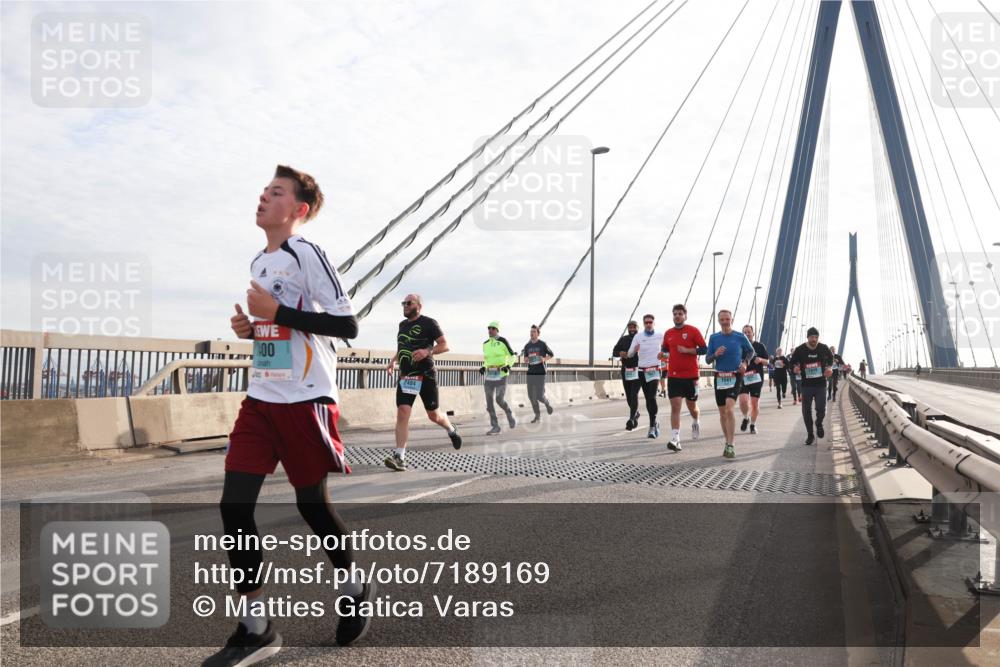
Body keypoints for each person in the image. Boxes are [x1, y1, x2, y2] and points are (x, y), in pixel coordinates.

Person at [209, 165, 371, 666]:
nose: (263, 197)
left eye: (275, 192)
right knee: (234, 508)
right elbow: (275, 333)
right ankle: (256, 627)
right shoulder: (259, 261)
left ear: (298, 210)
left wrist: (277, 315)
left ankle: (353, 585)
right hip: (262, 397)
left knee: (312, 508)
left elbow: (347, 324)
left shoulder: (307, 252)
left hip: (305, 400)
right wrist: (250, 329)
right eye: (263, 190)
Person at [384, 294, 462, 472]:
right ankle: (400, 457)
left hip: (426, 374)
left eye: (408, 303)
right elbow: (403, 346)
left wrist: (428, 351)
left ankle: (451, 429)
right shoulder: (402, 325)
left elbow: (444, 345)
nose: (405, 305)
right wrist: (393, 360)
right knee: (403, 413)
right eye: (403, 303)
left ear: (419, 306)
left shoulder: (429, 323)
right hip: (407, 375)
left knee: (433, 415)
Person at [705, 310, 755, 459]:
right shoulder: (714, 338)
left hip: (735, 376)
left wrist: (745, 363)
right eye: (722, 319)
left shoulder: (740, 337)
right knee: (722, 413)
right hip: (720, 377)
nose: (725, 322)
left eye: (727, 319)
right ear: (719, 321)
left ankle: (731, 444)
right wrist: (715, 354)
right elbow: (707, 359)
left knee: (729, 409)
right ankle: (727, 442)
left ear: (732, 319)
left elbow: (751, 352)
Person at [660, 303, 707, 451]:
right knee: (675, 407)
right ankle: (675, 439)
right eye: (675, 314)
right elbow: (665, 350)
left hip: (691, 376)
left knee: (692, 406)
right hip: (673, 375)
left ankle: (695, 420)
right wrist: (663, 355)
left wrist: (687, 350)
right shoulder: (668, 333)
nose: (677, 316)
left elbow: (704, 349)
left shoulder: (693, 331)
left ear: (685, 316)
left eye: (680, 314)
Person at [790, 327, 834, 446]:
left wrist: (829, 367)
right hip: (806, 385)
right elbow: (792, 362)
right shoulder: (800, 349)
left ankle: (819, 423)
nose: (814, 339)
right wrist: (795, 367)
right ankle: (810, 435)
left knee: (821, 409)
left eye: (816, 337)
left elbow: (831, 358)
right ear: (807, 337)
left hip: (821, 384)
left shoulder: (823, 348)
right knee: (806, 411)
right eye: (811, 337)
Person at [627, 313, 663, 439]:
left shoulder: (660, 336)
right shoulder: (638, 336)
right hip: (642, 371)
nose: (648, 324)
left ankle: (652, 426)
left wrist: (664, 354)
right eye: (646, 322)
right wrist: (634, 350)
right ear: (643, 324)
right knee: (648, 399)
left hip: (655, 370)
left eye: (650, 322)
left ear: (654, 323)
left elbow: (668, 351)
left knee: (652, 397)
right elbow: (630, 354)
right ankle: (655, 422)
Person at [481, 321, 517, 435]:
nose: (490, 330)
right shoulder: (485, 344)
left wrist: (508, 366)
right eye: (489, 328)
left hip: (501, 375)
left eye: (492, 328)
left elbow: (513, 356)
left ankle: (508, 412)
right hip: (490, 376)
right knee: (489, 402)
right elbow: (487, 360)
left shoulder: (503, 341)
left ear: (497, 330)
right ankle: (495, 426)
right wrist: (483, 367)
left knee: (499, 400)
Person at [738, 324, 769, 434]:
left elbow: (768, 362)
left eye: (748, 332)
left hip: (756, 378)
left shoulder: (760, 346)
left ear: (753, 333)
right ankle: (746, 417)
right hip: (743, 378)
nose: (747, 334)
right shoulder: (739, 346)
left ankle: (753, 424)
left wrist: (760, 359)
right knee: (743, 402)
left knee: (755, 404)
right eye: (744, 332)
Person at [521, 324, 555, 423]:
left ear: (538, 333)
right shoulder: (527, 346)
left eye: (534, 331)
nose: (532, 333)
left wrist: (544, 359)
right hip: (531, 372)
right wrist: (526, 359)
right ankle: (537, 415)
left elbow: (551, 354)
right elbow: (525, 359)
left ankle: (547, 403)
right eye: (531, 332)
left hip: (541, 372)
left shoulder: (542, 344)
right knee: (531, 396)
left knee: (540, 395)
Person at [613, 321, 642, 431]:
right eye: (630, 327)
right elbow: (614, 352)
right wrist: (621, 353)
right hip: (626, 370)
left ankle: (631, 419)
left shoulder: (641, 339)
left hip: (638, 370)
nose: (632, 329)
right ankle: (636, 413)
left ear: (638, 328)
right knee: (629, 396)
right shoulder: (623, 339)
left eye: (634, 327)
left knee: (634, 394)